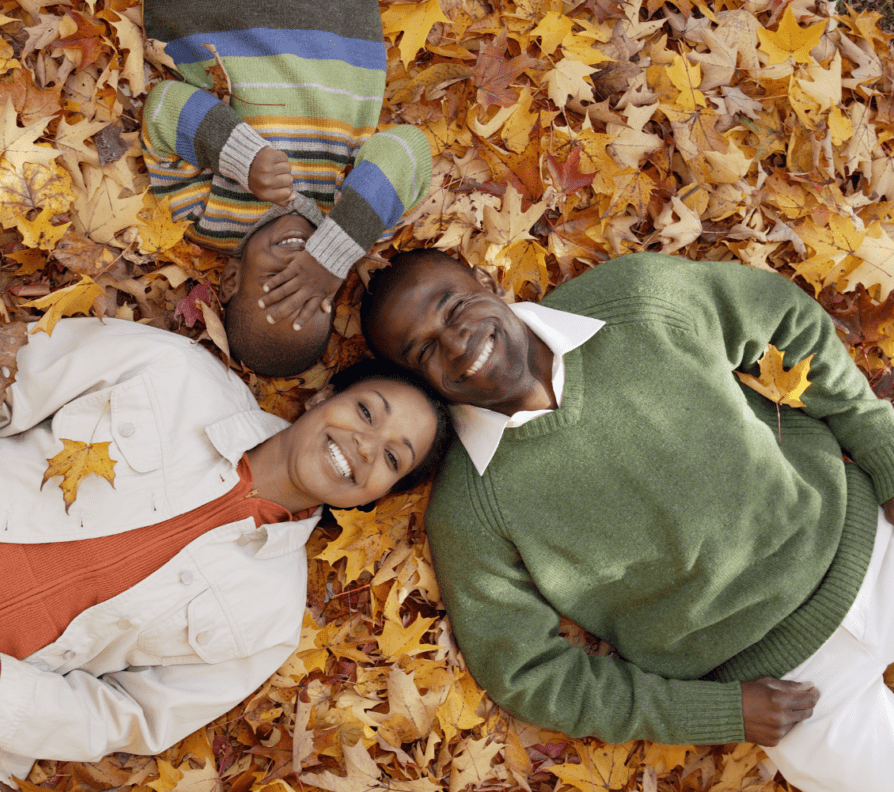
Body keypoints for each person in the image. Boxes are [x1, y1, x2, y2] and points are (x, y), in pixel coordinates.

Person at [359, 248, 894, 792]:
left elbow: (783, 318)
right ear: (418, 378)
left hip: (867, 542)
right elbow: (526, 674)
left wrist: (884, 451)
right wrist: (718, 712)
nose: (455, 342)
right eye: (424, 349)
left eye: (454, 308)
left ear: (485, 277)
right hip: (789, 685)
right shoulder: (469, 508)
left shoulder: (635, 297)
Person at [0, 317, 451, 791]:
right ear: (325, 395)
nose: (364, 444)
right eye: (367, 412)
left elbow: (131, 718)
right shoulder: (174, 373)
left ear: (381, 496)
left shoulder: (268, 619)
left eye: (394, 459)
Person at [141, 0, 431, 376]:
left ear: (231, 280)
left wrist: (239, 156)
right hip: (336, 22)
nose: (302, 263)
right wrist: (337, 250)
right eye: (315, 289)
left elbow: (162, 109)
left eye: (279, 281)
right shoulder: (357, 223)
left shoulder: (204, 221)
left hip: (213, 16)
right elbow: (410, 148)